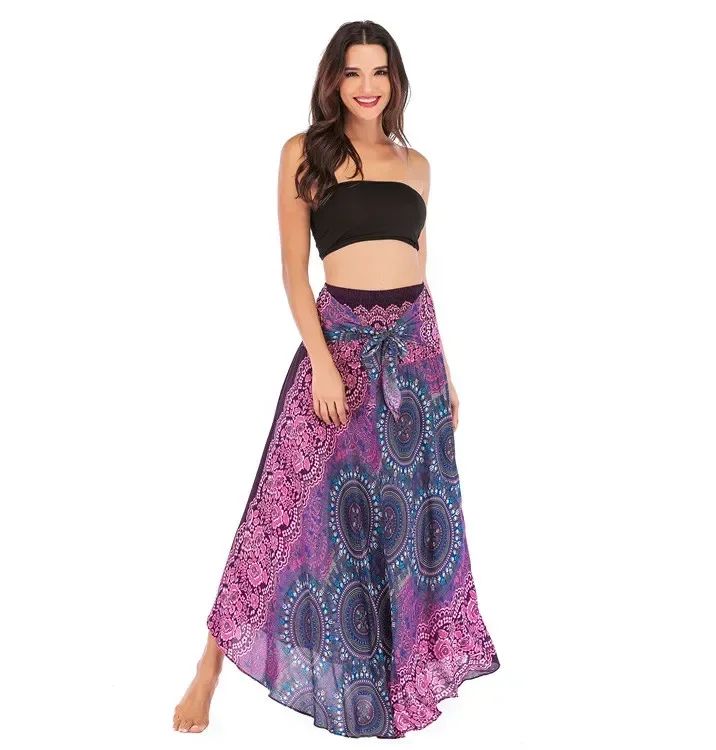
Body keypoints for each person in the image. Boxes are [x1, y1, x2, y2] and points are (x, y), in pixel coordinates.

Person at [173, 20, 501, 739]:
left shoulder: (417, 164)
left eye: (379, 71)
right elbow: (294, 271)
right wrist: (321, 361)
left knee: (402, 520)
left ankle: (391, 681)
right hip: (340, 348)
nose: (366, 86)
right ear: (334, 80)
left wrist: (444, 370)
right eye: (353, 72)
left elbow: (422, 271)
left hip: (412, 358)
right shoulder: (305, 153)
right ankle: (209, 665)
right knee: (281, 504)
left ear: (395, 81)